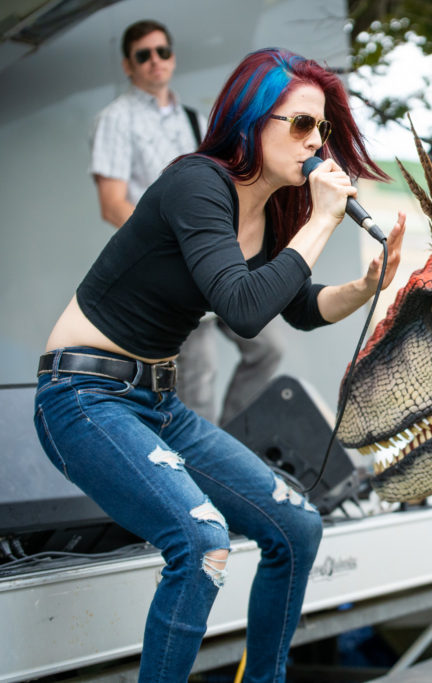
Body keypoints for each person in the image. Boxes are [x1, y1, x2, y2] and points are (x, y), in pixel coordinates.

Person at [36, 47, 406, 682]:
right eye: (301, 124)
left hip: (157, 402)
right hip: (83, 395)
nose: (316, 143)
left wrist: (365, 287)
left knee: (296, 527)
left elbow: (298, 306)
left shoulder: (271, 210)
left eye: (322, 128)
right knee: (202, 542)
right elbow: (240, 309)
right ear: (250, 118)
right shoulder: (196, 184)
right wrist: (321, 220)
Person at [90, 19, 285, 426]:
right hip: (172, 268)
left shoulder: (196, 120)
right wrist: (180, 243)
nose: (155, 62)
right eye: (143, 55)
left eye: (162, 52)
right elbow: (112, 205)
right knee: (198, 383)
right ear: (128, 65)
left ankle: (228, 444)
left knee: (268, 349)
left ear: (173, 58)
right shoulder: (116, 118)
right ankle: (204, 479)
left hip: (216, 259)